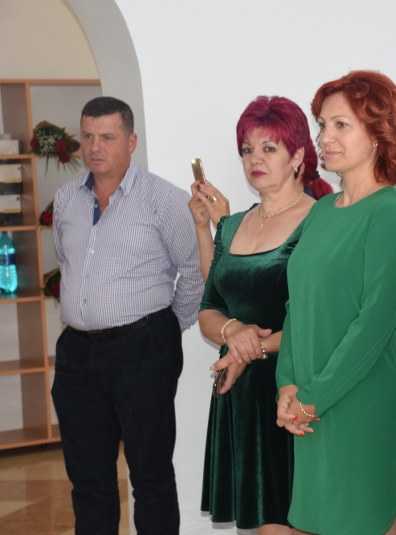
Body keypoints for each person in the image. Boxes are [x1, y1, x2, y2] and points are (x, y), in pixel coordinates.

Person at [274, 70, 396, 535]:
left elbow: (374, 325)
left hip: (361, 401)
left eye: (341, 125)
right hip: (309, 399)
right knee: (319, 520)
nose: (324, 138)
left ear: (378, 135)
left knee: (366, 517)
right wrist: (287, 383)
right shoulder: (320, 210)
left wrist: (313, 399)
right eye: (323, 125)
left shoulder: (392, 214)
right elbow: (296, 306)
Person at [51, 96, 204, 534]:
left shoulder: (164, 199)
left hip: (142, 349)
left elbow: (194, 270)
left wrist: (164, 329)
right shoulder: (66, 198)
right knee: (88, 481)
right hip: (77, 354)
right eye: (87, 136)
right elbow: (66, 261)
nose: (94, 147)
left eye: (107, 137)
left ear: (131, 141)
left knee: (150, 477)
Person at [189, 96, 326, 534]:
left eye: (269, 148)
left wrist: (252, 347)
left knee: (305, 520)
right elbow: (209, 308)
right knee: (267, 524)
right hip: (243, 394)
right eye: (248, 150)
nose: (255, 159)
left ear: (298, 156)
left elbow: (322, 319)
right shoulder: (231, 225)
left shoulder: (322, 220)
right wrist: (234, 331)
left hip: (295, 383)